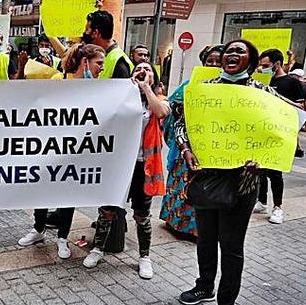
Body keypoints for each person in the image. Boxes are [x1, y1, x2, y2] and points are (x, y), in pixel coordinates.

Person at [174, 39, 289, 305]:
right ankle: (204, 285)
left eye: (240, 51)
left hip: (243, 181)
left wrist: (262, 160)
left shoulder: (262, 93)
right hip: (208, 176)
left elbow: (279, 133)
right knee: (206, 238)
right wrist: (186, 148)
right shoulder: (205, 89)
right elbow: (182, 123)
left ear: (250, 60)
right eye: (228, 51)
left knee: (232, 246)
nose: (232, 55)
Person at [83, 60, 170, 278]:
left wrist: (146, 87)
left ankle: (144, 257)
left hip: (143, 167)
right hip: (118, 165)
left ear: (154, 78)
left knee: (142, 215)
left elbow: (161, 113)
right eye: (138, 69)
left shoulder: (158, 100)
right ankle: (97, 249)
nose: (142, 71)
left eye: (147, 69)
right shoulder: (120, 100)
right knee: (107, 210)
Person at [18, 44, 106, 257]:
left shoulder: (101, 88)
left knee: (68, 192)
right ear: (85, 62)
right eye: (99, 63)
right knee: (43, 189)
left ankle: (62, 238)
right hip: (51, 148)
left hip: (78, 151)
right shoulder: (59, 80)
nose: (102, 68)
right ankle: (38, 229)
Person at [160, 45, 223, 240]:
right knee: (181, 184)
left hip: (213, 148)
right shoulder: (190, 85)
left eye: (217, 62)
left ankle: (198, 229)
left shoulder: (231, 90)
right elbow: (171, 106)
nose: (213, 65)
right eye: (209, 61)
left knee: (203, 188)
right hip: (186, 146)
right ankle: (175, 223)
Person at [252, 49, 306, 225]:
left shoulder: (292, 83)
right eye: (261, 65)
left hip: (279, 133)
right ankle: (262, 201)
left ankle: (278, 207)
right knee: (259, 171)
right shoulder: (261, 81)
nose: (263, 69)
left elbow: (301, 106)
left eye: (266, 66)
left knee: (275, 173)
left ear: (277, 64)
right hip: (261, 131)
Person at [81, 10, 132, 79]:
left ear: (96, 32)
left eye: (87, 29)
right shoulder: (98, 54)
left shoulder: (120, 62)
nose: (84, 33)